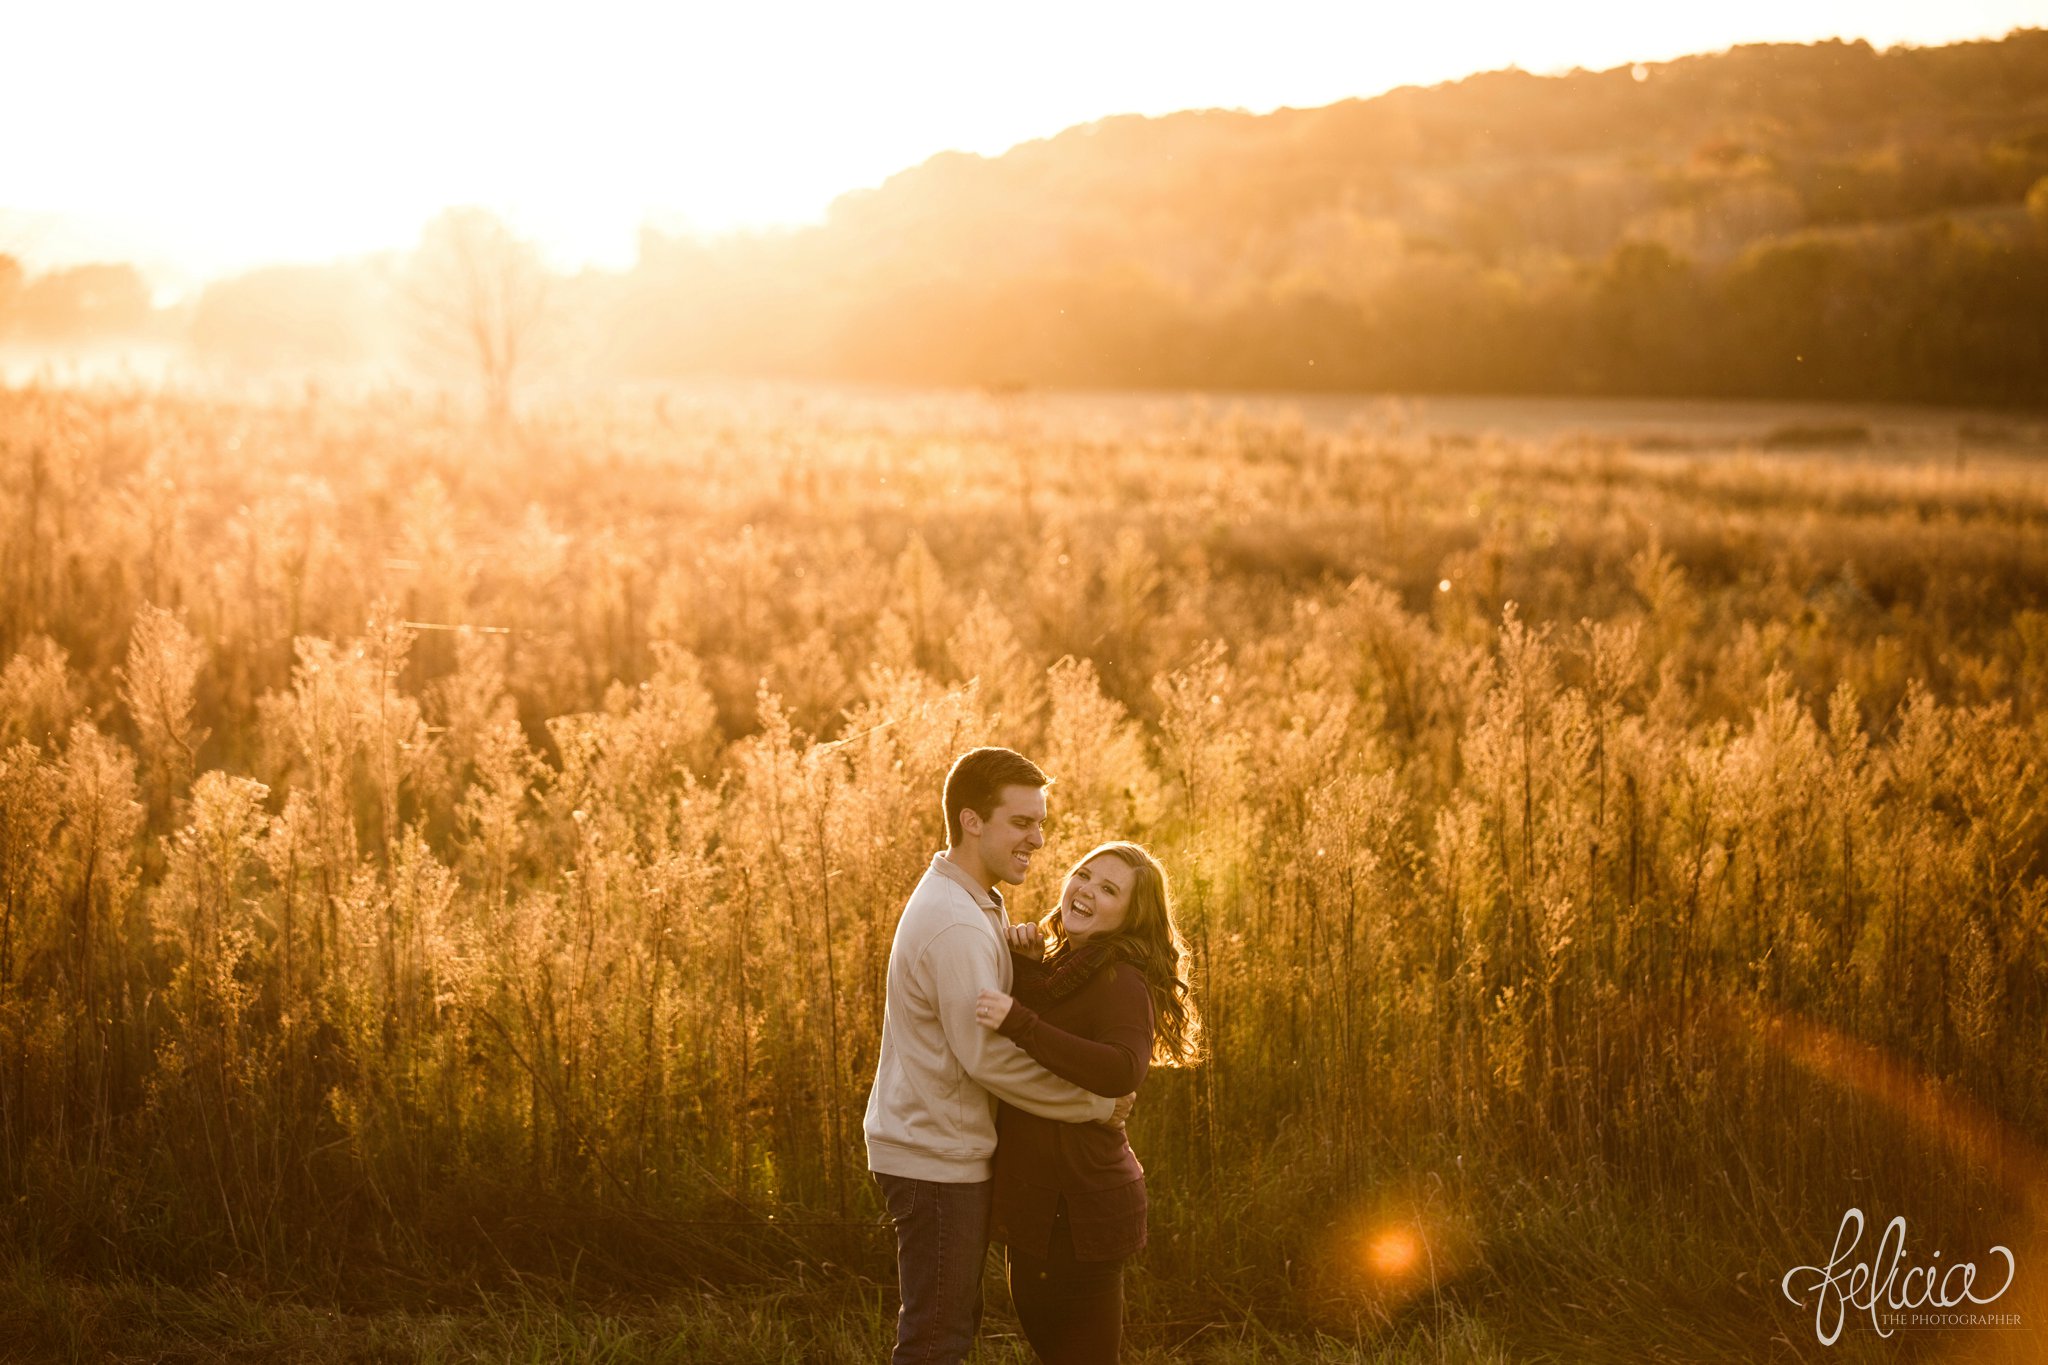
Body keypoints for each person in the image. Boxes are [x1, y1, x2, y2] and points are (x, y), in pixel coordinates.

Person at [865, 747, 1127, 1365]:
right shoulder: (955, 921)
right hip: (934, 1158)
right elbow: (988, 1058)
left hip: (942, 1148)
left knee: (946, 1327)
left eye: (1040, 822)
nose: (1037, 839)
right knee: (936, 1339)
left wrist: (1022, 962)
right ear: (972, 821)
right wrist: (1091, 1102)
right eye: (1021, 822)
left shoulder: (975, 901)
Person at [973, 841, 1202, 1365]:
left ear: (1129, 915)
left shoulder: (1119, 977)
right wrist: (1028, 972)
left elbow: (1122, 1068)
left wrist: (1018, 1017)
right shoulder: (1066, 967)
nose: (1085, 890)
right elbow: (1050, 1051)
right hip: (1041, 1206)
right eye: (1084, 874)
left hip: (1080, 1209)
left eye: (1108, 889)